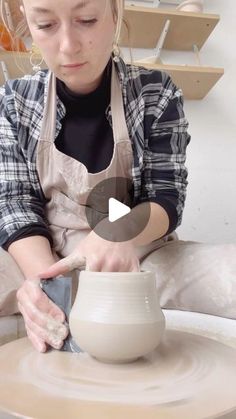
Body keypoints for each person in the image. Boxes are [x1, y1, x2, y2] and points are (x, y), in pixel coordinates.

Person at [0, 0, 191, 352]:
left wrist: (118, 230)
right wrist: (46, 285)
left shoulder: (155, 93)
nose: (69, 45)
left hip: (134, 249)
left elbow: (166, 197)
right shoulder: (15, 101)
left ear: (115, 12)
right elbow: (15, 204)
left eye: (86, 20)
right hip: (44, 251)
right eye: (45, 25)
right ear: (27, 20)